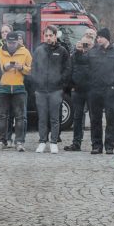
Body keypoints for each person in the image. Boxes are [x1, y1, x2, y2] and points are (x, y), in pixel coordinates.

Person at [31, 25, 71, 153]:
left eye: (50, 35)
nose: (48, 38)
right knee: (42, 118)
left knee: (55, 118)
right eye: (46, 35)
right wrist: (37, 82)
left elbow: (67, 69)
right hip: (41, 90)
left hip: (56, 90)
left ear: (55, 36)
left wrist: (61, 83)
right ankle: (42, 141)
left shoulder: (62, 51)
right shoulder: (38, 50)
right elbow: (33, 68)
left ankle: (54, 142)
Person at [87, 28, 114, 155]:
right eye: (97, 37)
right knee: (95, 119)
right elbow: (87, 69)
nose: (98, 39)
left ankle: (109, 145)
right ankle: (96, 145)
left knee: (111, 119)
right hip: (95, 90)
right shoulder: (92, 52)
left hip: (110, 90)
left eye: (100, 37)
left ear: (107, 38)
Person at [0, 31, 32, 151]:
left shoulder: (25, 52)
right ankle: (3, 141)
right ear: (5, 41)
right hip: (2, 87)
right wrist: (4, 68)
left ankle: (19, 142)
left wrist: (21, 68)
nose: (11, 45)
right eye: (9, 42)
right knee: (2, 116)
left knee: (20, 117)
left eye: (14, 42)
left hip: (19, 87)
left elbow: (31, 70)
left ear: (18, 41)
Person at [64, 34, 94, 152]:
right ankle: (76, 143)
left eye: (87, 44)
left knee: (94, 117)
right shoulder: (75, 55)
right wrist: (71, 86)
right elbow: (70, 70)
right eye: (83, 44)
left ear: (92, 44)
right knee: (77, 117)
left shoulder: (95, 55)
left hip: (92, 90)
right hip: (77, 90)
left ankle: (95, 143)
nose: (85, 46)